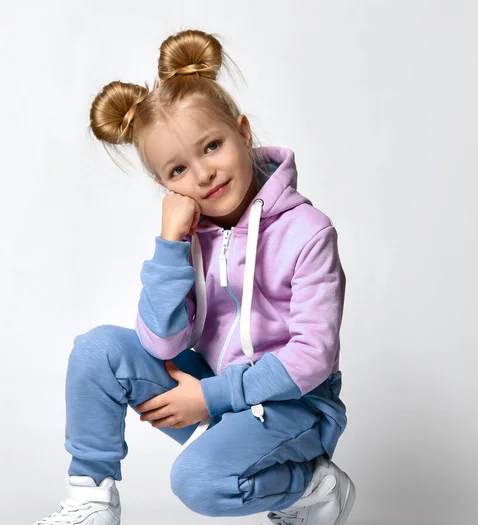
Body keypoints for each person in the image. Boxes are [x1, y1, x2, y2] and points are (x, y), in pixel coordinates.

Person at [35, 28, 355, 525]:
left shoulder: (307, 232)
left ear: (243, 133)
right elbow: (162, 345)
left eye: (211, 146)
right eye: (178, 170)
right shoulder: (191, 235)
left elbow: (313, 357)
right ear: (165, 185)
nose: (204, 175)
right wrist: (170, 247)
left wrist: (211, 397)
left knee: (198, 480)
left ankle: (309, 487)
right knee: (97, 350)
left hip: (295, 406)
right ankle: (91, 501)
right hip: (211, 388)